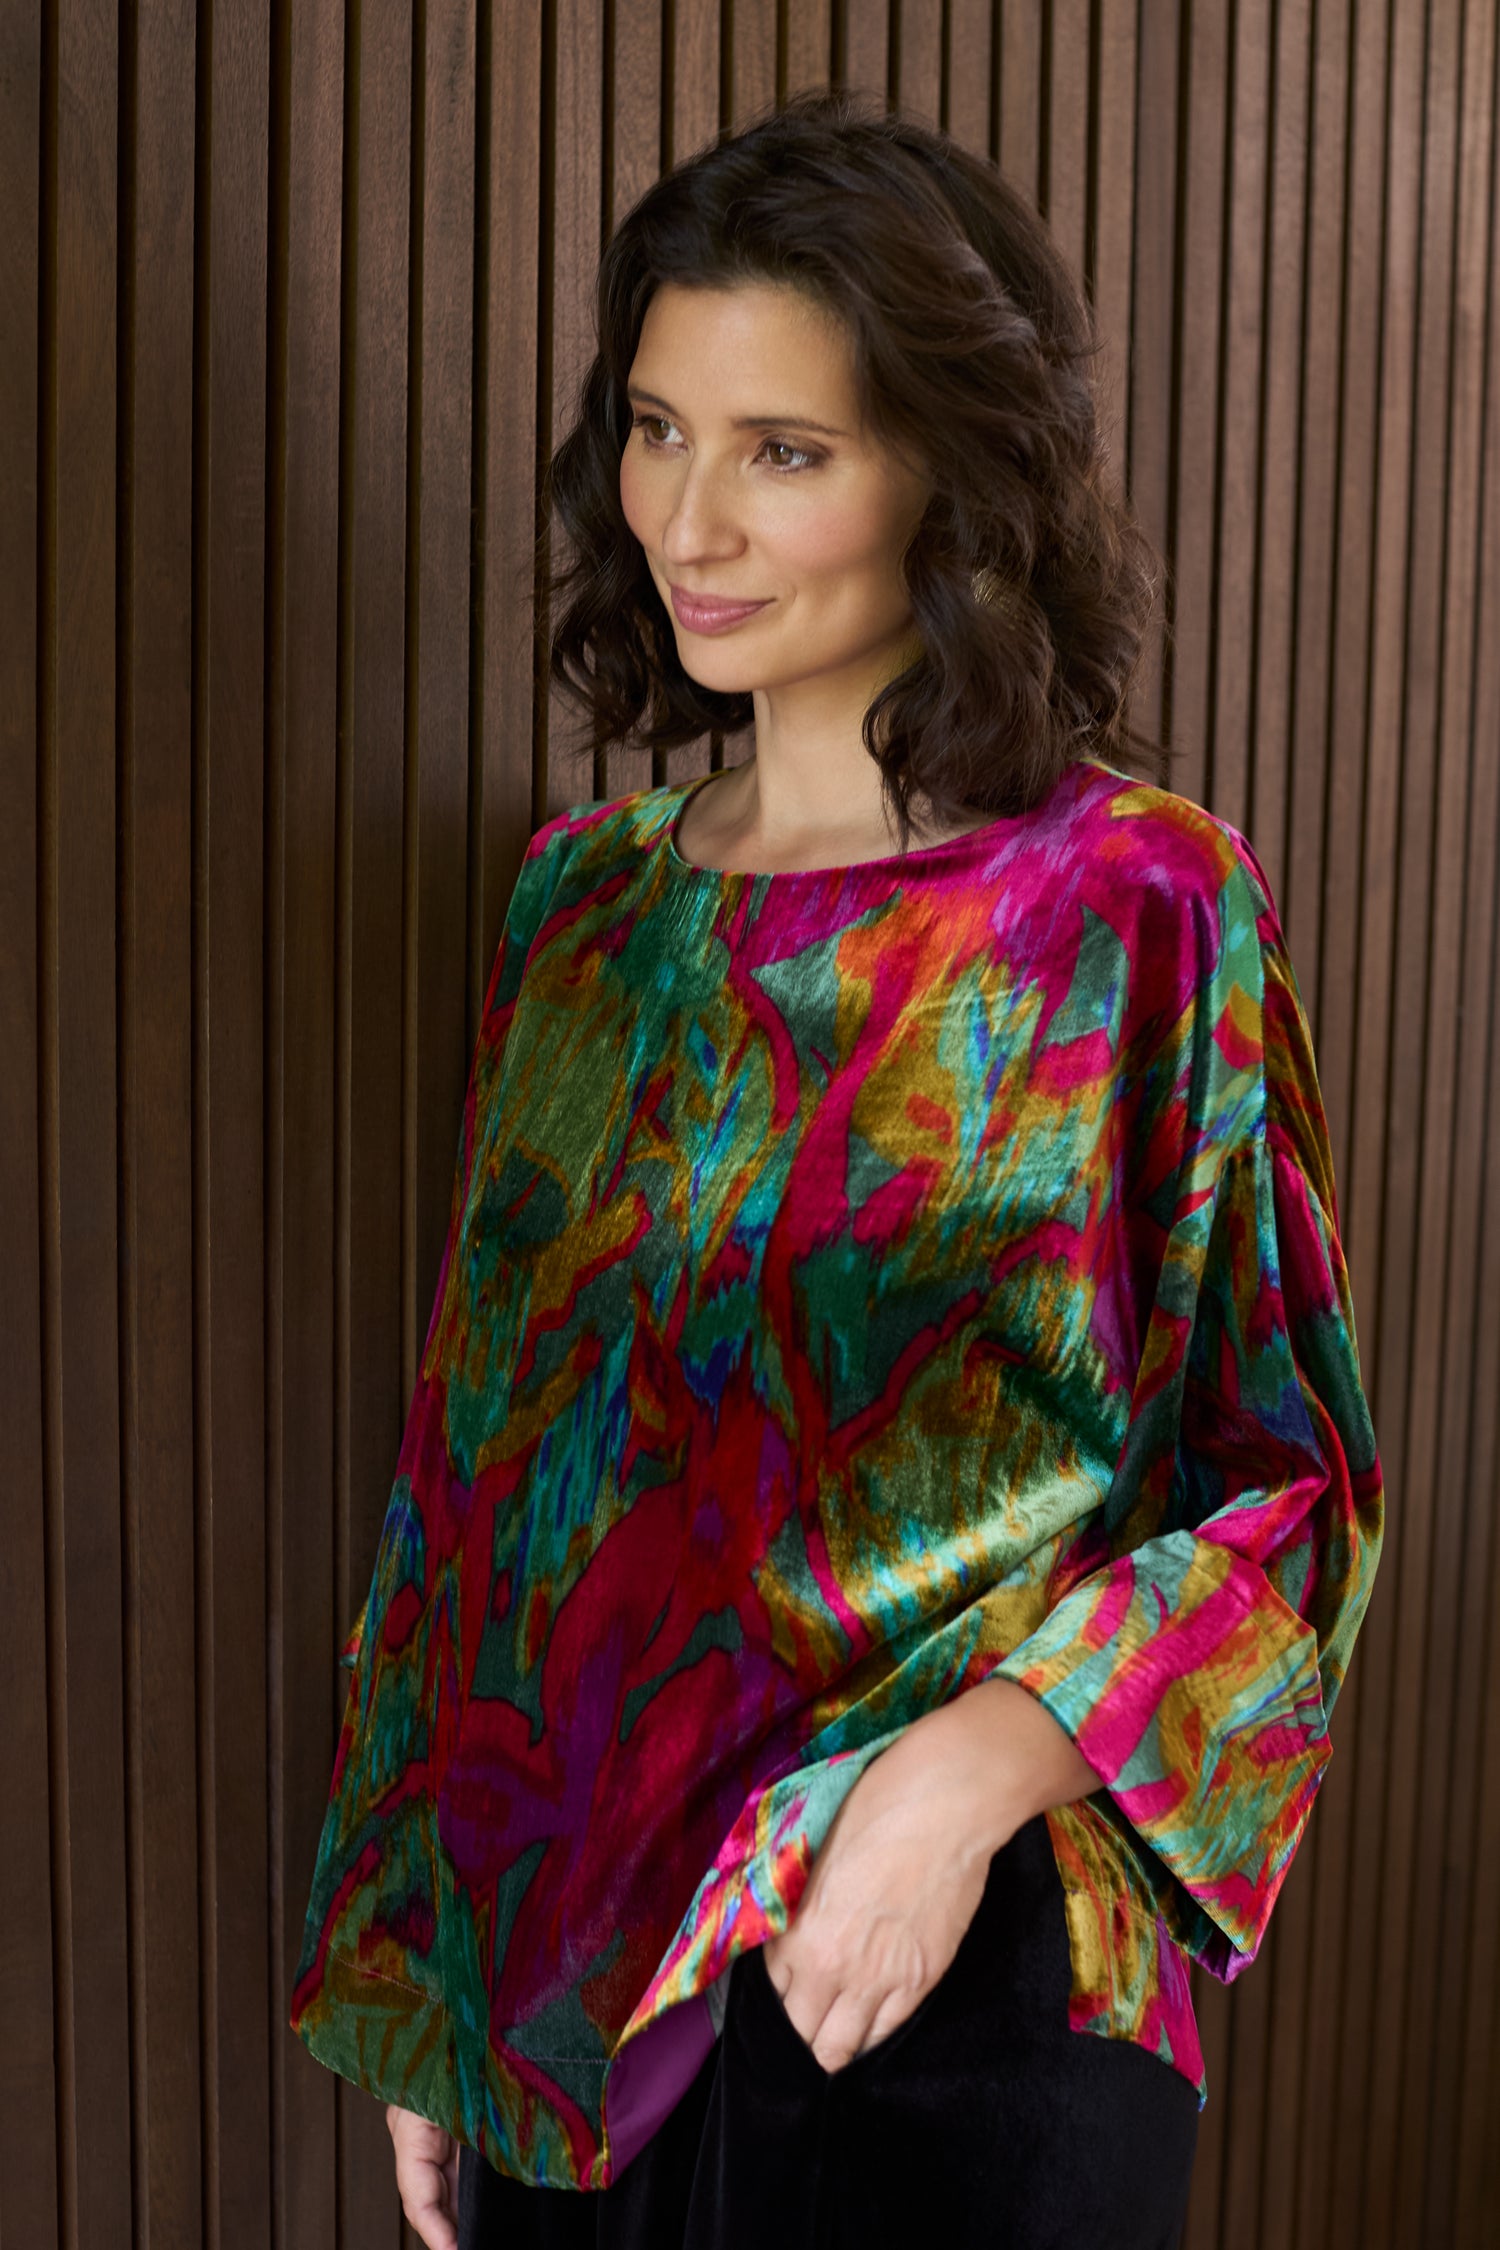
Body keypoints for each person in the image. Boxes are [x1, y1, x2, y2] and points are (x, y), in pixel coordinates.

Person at [288, 88, 1385, 2250]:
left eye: (786, 450)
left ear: (945, 481)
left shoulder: (1136, 902)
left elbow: (1292, 1494)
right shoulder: (583, 911)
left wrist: (962, 1780)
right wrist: (435, 1972)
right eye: (660, 425)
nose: (694, 516)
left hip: (951, 1976)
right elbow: (486, 1495)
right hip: (585, 2003)